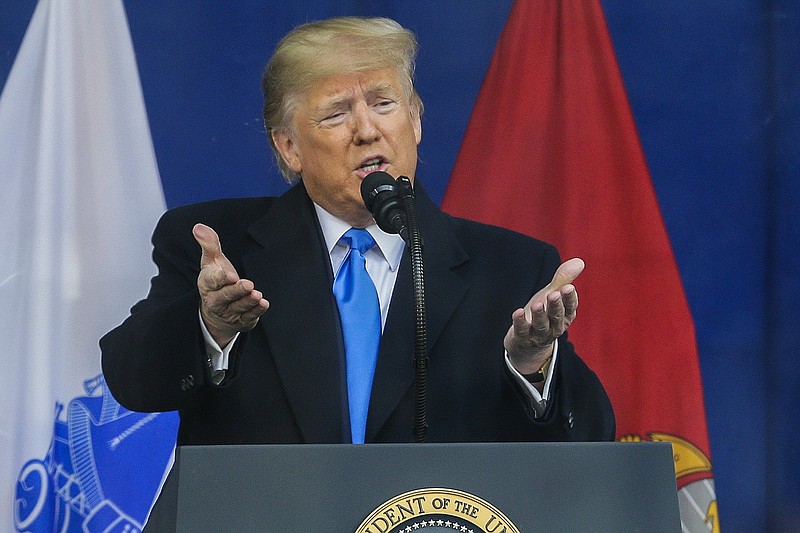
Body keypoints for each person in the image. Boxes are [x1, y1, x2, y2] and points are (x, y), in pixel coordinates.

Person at [100, 16, 614, 446]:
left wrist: (532, 362)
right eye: (336, 113)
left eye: (384, 104)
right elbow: (134, 383)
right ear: (289, 147)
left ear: (414, 120)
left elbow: (591, 441)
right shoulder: (222, 249)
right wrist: (210, 328)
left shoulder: (511, 268)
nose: (367, 130)